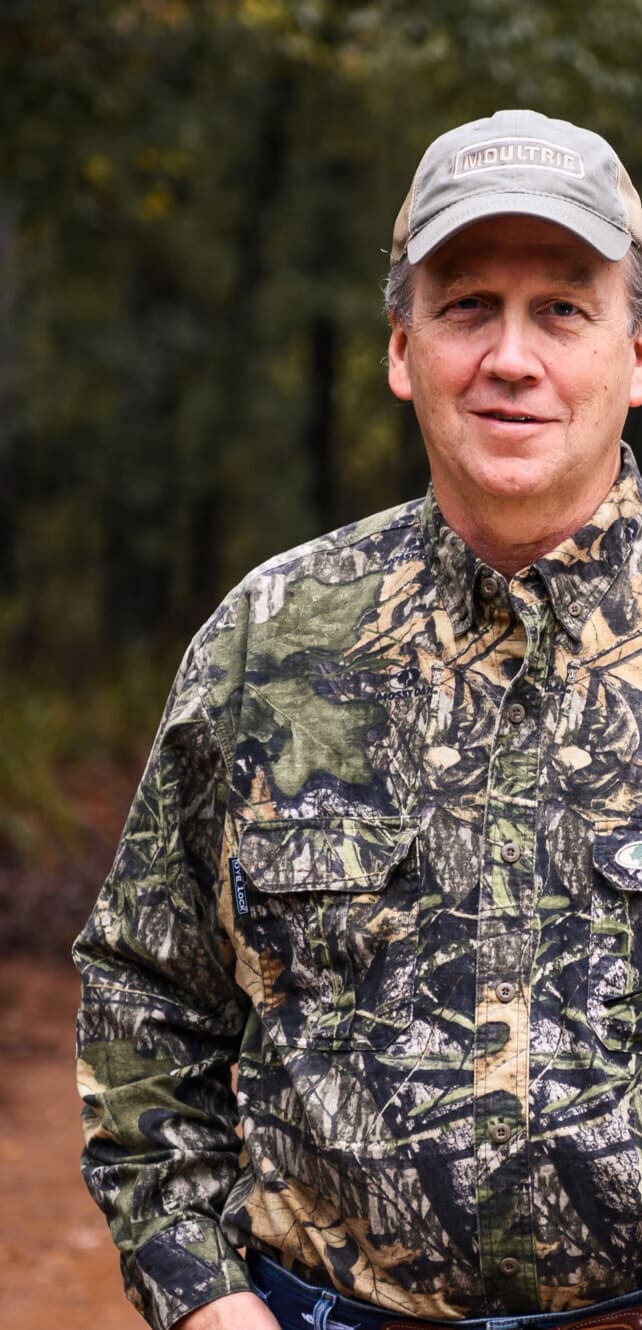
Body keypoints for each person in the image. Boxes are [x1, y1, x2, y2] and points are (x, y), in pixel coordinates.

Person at [73, 107, 642, 1330]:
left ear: (636, 354)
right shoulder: (267, 639)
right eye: (466, 305)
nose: (510, 355)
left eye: (563, 308)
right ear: (401, 348)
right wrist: (208, 1300)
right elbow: (144, 1007)